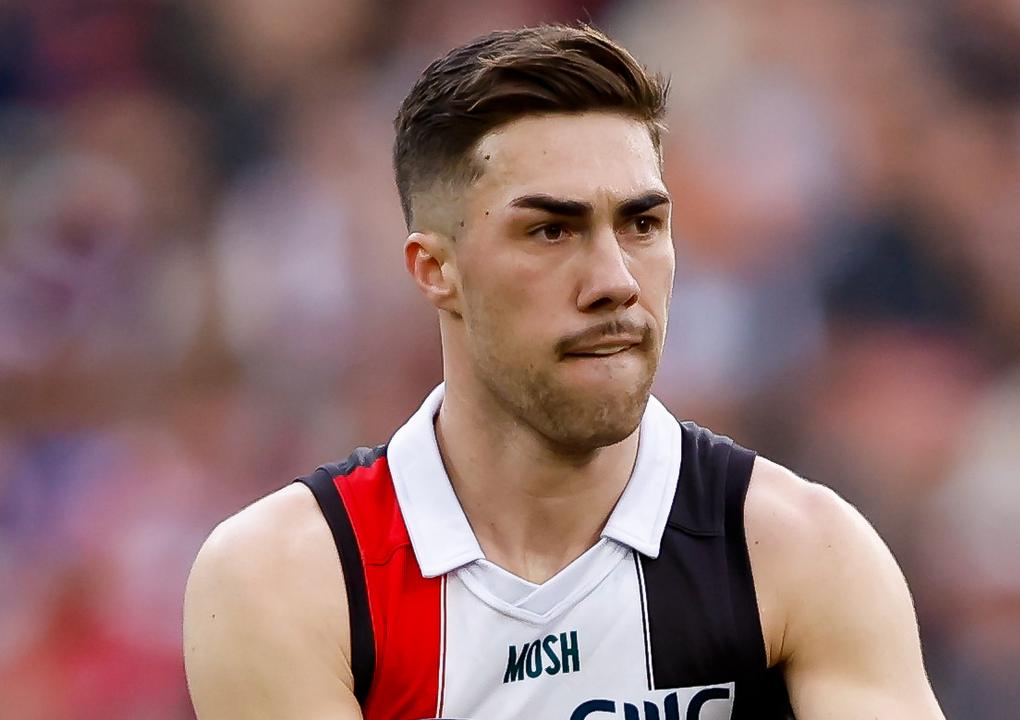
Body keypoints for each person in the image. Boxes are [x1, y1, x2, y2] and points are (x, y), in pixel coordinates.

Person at [182, 24, 946, 720]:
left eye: (643, 224)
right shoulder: (292, 578)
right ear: (435, 271)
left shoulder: (799, 551)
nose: (615, 279)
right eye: (551, 230)